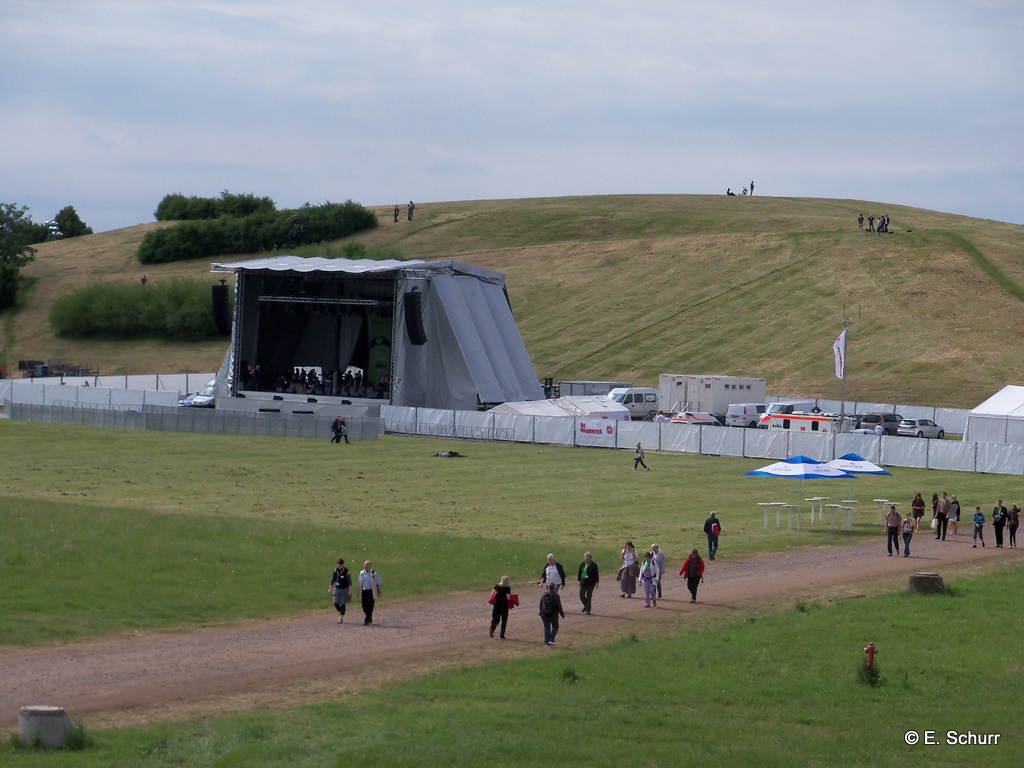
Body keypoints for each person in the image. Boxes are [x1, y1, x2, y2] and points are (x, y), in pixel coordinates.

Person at [357, 560, 382, 625]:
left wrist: (379, 592)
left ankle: (367, 620)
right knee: (364, 606)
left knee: (370, 606)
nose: (365, 566)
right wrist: (359, 591)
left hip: (371, 591)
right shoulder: (361, 573)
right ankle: (369, 617)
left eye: (366, 565)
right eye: (364, 565)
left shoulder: (373, 574)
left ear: (370, 566)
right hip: (364, 591)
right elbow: (359, 583)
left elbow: (379, 583)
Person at [328, 558, 352, 623]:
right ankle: (340, 613)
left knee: (343, 603)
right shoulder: (335, 570)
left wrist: (350, 590)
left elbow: (349, 581)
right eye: (338, 565)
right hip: (337, 588)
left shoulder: (346, 571)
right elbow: (333, 579)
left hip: (344, 589)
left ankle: (341, 618)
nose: (338, 566)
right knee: (336, 602)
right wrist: (330, 588)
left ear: (342, 565)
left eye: (339, 565)